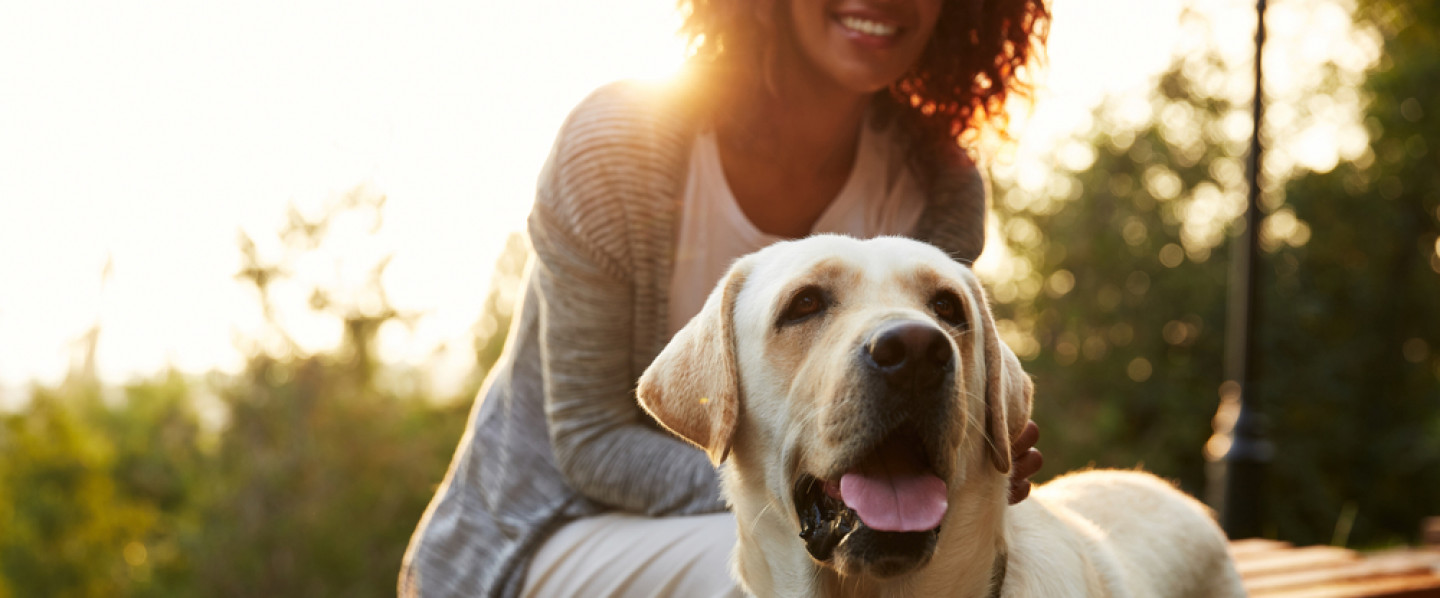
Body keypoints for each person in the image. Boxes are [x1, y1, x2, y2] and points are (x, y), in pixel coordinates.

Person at [401, 0, 1048, 595]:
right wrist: (784, 490)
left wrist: (964, 453)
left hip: (823, 517)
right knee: (772, 573)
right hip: (546, 526)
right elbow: (590, 442)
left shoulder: (941, 182)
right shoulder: (619, 143)